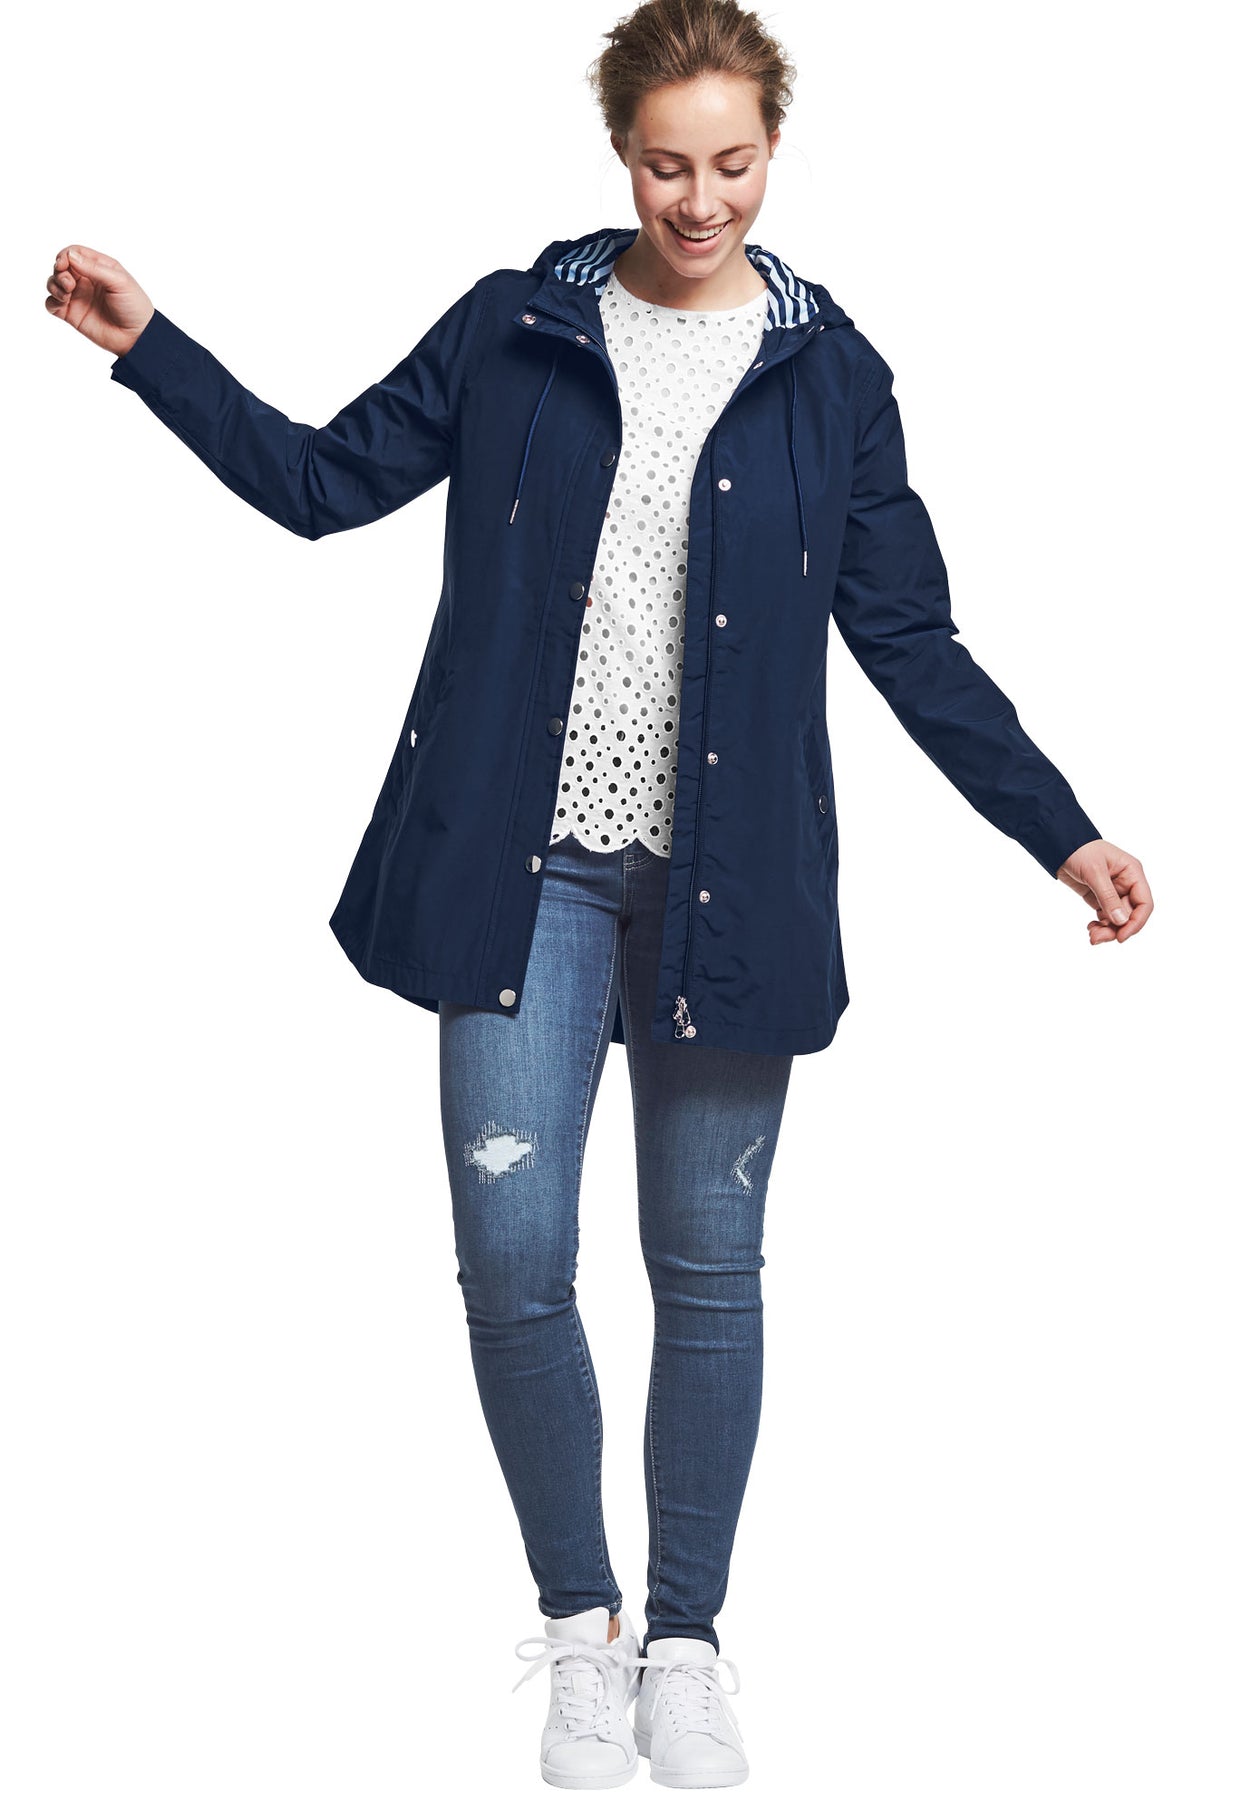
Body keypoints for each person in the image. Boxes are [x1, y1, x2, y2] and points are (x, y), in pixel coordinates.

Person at [46, 0, 1152, 1786]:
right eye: (666, 164)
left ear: (774, 150)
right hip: (522, 874)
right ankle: (585, 1627)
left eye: (734, 163)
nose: (700, 201)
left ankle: (690, 1641)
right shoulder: (519, 328)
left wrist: (1061, 831)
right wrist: (151, 347)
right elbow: (324, 484)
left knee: (708, 1273)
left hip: (733, 889)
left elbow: (912, 639)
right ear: (618, 153)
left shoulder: (831, 374)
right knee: (511, 1259)